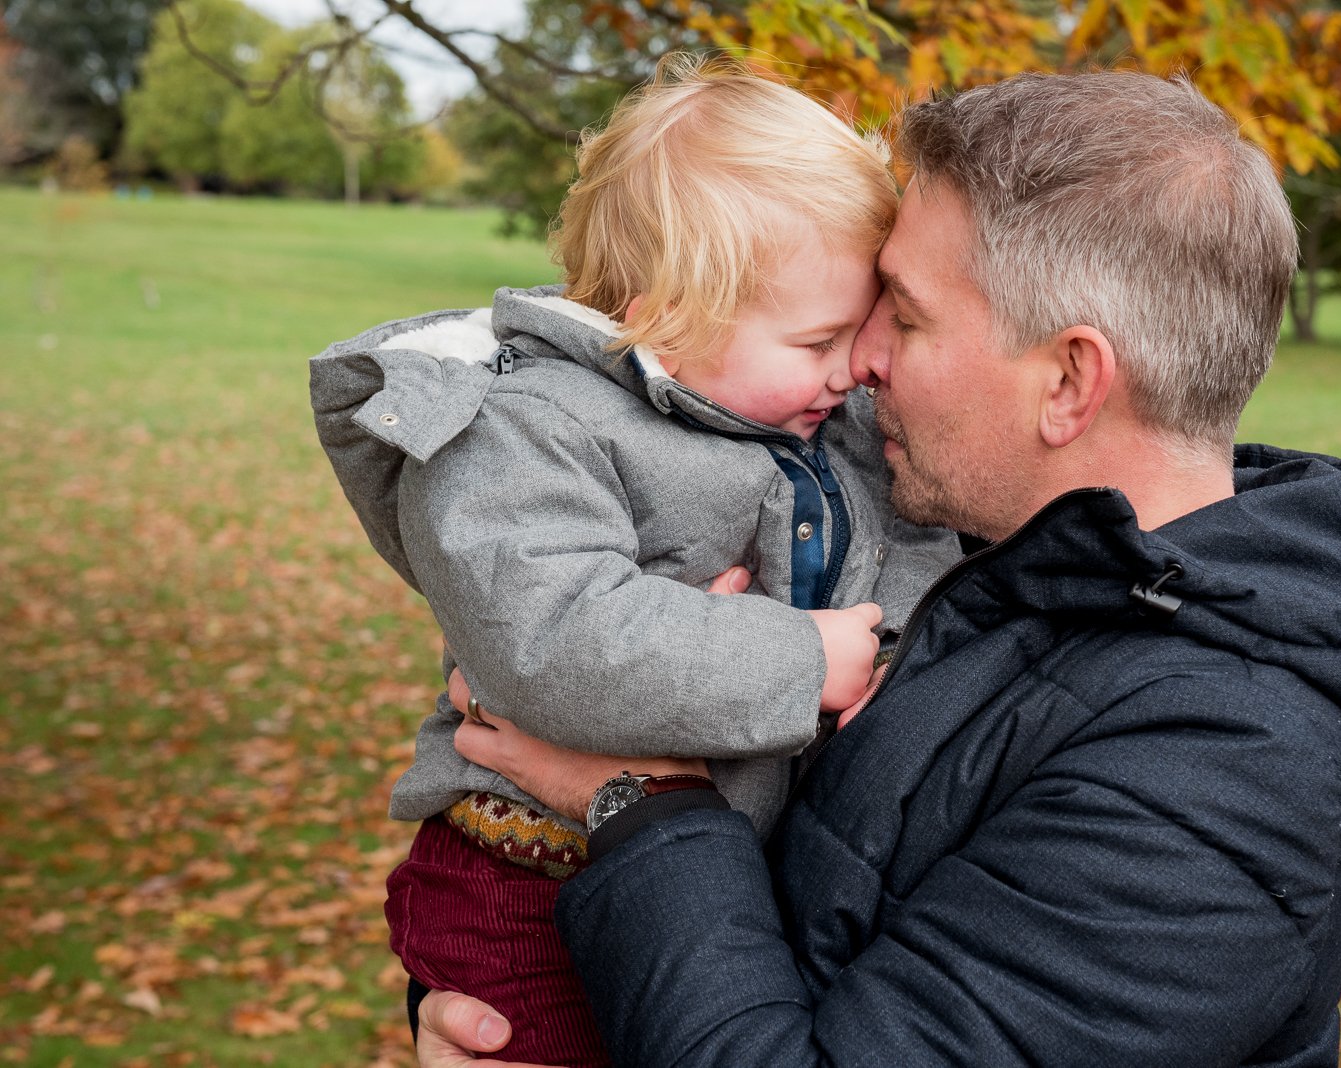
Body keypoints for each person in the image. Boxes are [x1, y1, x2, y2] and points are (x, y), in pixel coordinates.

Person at [416, 70, 1341, 1066]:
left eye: (902, 319)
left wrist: (641, 799)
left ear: (1068, 381)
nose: (861, 360)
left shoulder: (1222, 772)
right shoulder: (994, 554)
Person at [308, 56, 962, 1066]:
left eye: (865, 329)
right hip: (530, 881)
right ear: (669, 310)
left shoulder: (808, 421)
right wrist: (799, 659)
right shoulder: (523, 428)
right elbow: (555, 637)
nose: (851, 370)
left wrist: (893, 660)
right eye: (819, 339)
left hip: (717, 884)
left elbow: (913, 547)